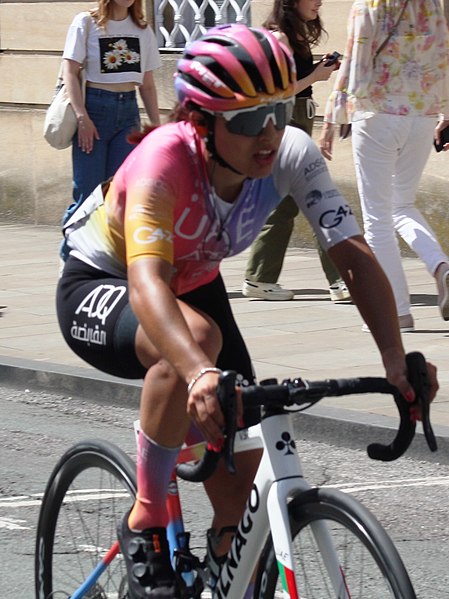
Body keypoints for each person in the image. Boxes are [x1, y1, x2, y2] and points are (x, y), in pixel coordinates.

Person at [56, 24, 438, 598]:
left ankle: (218, 569)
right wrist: (198, 373)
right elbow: (148, 286)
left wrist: (394, 359)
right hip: (104, 282)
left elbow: (352, 255)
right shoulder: (164, 160)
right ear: (201, 121)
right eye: (244, 120)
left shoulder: (289, 153)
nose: (268, 132)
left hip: (193, 286)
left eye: (279, 109)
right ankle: (145, 519)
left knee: (242, 487)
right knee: (196, 343)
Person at [319, 0, 449, 331]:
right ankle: (440, 267)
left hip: (377, 112)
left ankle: (398, 312)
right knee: (402, 204)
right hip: (420, 116)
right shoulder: (432, 3)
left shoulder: (370, 3)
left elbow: (355, 60)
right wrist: (446, 112)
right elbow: (442, 55)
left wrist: (334, 118)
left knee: (377, 217)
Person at [242, 0, 350, 302]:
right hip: (285, 120)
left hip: (297, 117)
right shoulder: (278, 37)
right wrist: (315, 76)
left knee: (286, 202)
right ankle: (341, 279)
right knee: (318, 195)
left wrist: (318, 68)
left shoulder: (296, 34)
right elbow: (275, 91)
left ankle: (259, 277)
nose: (319, 2)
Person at [62, 0, 161, 207]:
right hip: (93, 110)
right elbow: (69, 72)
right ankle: (72, 240)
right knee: (88, 196)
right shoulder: (86, 22)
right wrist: (82, 117)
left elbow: (147, 85)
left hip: (128, 113)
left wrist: (155, 126)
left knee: (119, 195)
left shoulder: (142, 29)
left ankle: (110, 240)